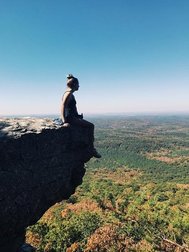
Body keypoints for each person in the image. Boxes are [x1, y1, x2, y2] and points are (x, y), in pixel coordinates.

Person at [61, 74, 101, 158]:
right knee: (91, 126)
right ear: (74, 84)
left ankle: (90, 148)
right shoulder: (68, 94)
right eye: (78, 84)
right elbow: (63, 106)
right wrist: (64, 121)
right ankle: (91, 149)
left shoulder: (69, 93)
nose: (79, 86)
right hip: (70, 119)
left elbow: (69, 108)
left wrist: (77, 116)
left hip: (72, 117)